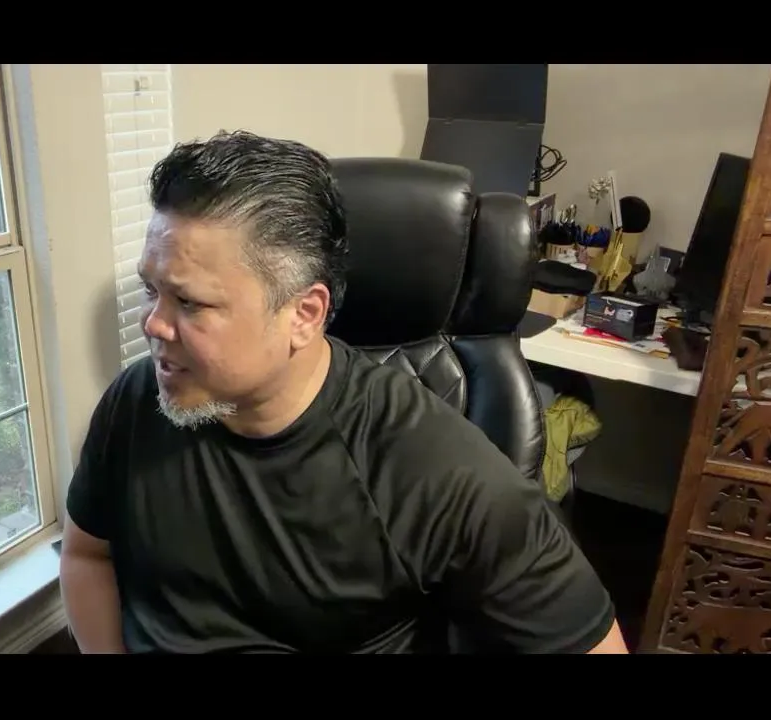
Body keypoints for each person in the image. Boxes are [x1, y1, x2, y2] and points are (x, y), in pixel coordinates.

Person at [60, 130, 629, 654]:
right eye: (151, 290)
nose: (153, 325)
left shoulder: (436, 473)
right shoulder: (138, 398)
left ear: (304, 314)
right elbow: (87, 554)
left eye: (189, 302)